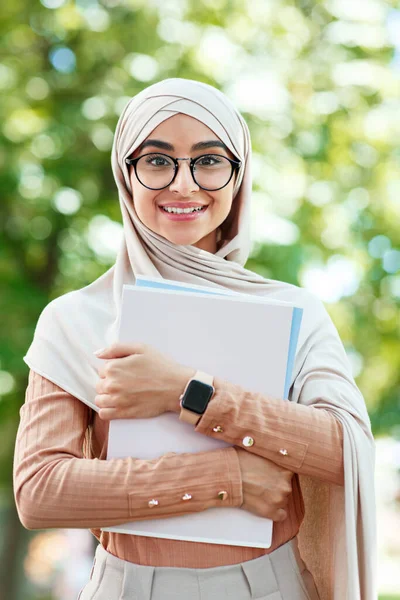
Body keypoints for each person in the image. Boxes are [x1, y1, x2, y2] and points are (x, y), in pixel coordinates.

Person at [13, 78, 376, 600]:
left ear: (238, 176)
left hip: (270, 586)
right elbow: (40, 493)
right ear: (126, 175)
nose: (183, 185)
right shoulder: (76, 319)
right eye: (158, 161)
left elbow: (345, 451)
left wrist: (187, 392)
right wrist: (224, 477)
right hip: (125, 587)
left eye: (208, 160)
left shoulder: (294, 311)